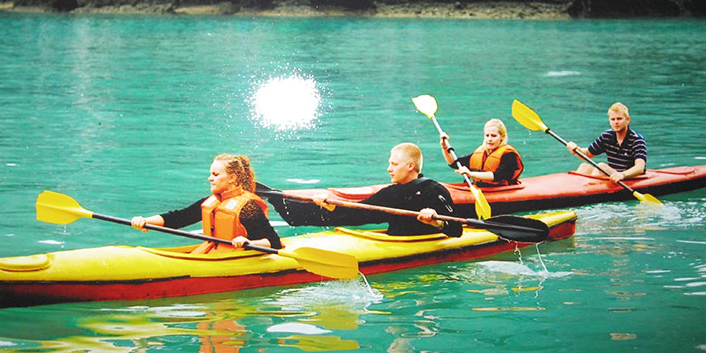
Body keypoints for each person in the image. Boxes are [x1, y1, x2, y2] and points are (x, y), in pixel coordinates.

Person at [131, 153, 281, 254]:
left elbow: (274, 242)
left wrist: (248, 242)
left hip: (238, 257)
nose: (210, 178)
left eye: (215, 175)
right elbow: (179, 218)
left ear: (232, 178)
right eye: (210, 174)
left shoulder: (247, 207)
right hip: (215, 253)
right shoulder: (213, 201)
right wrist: (146, 221)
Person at [314, 143, 463, 237]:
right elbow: (359, 214)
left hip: (428, 257)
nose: (389, 169)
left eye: (394, 164)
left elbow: (457, 231)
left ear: (410, 166)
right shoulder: (390, 193)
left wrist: (437, 222)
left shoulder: (435, 191)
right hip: (394, 243)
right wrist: (332, 206)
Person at [566, 102, 647, 183]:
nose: (616, 122)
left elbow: (640, 168)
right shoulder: (606, 136)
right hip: (613, 176)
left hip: (628, 178)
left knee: (602, 167)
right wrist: (576, 149)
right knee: (584, 167)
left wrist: (622, 175)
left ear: (627, 120)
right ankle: (573, 190)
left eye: (619, 119)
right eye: (613, 119)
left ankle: (591, 191)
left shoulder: (637, 140)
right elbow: (587, 154)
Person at [440, 118, 523, 187]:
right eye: (487, 135)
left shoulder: (509, 155)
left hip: (502, 190)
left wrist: (471, 174)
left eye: (493, 136)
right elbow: (454, 163)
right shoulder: (481, 153)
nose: (489, 139)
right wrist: (444, 146)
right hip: (481, 189)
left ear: (502, 137)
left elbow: (497, 176)